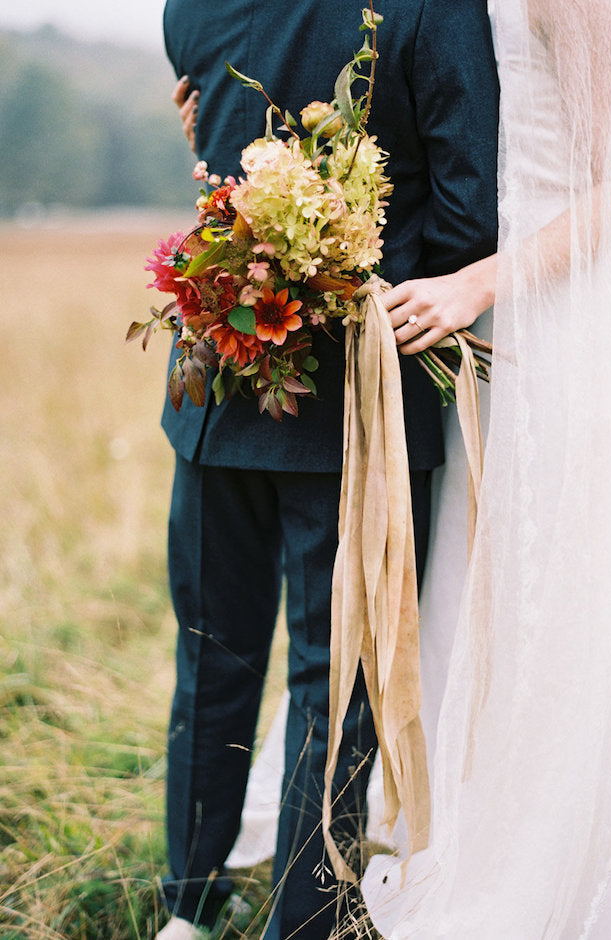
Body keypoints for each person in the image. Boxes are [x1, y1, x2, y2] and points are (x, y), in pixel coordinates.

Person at [155, 2, 500, 939]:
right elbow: (469, 216)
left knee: (210, 653)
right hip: (355, 402)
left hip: (216, 379)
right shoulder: (432, 9)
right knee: (336, 678)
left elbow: (208, 110)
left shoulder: (192, 10)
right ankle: (305, 922)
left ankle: (184, 908)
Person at [357, 0, 611, 937]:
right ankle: (469, 826)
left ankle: (570, 850)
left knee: (571, 591)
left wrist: (478, 282)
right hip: (490, 334)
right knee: (483, 590)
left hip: (559, 329)